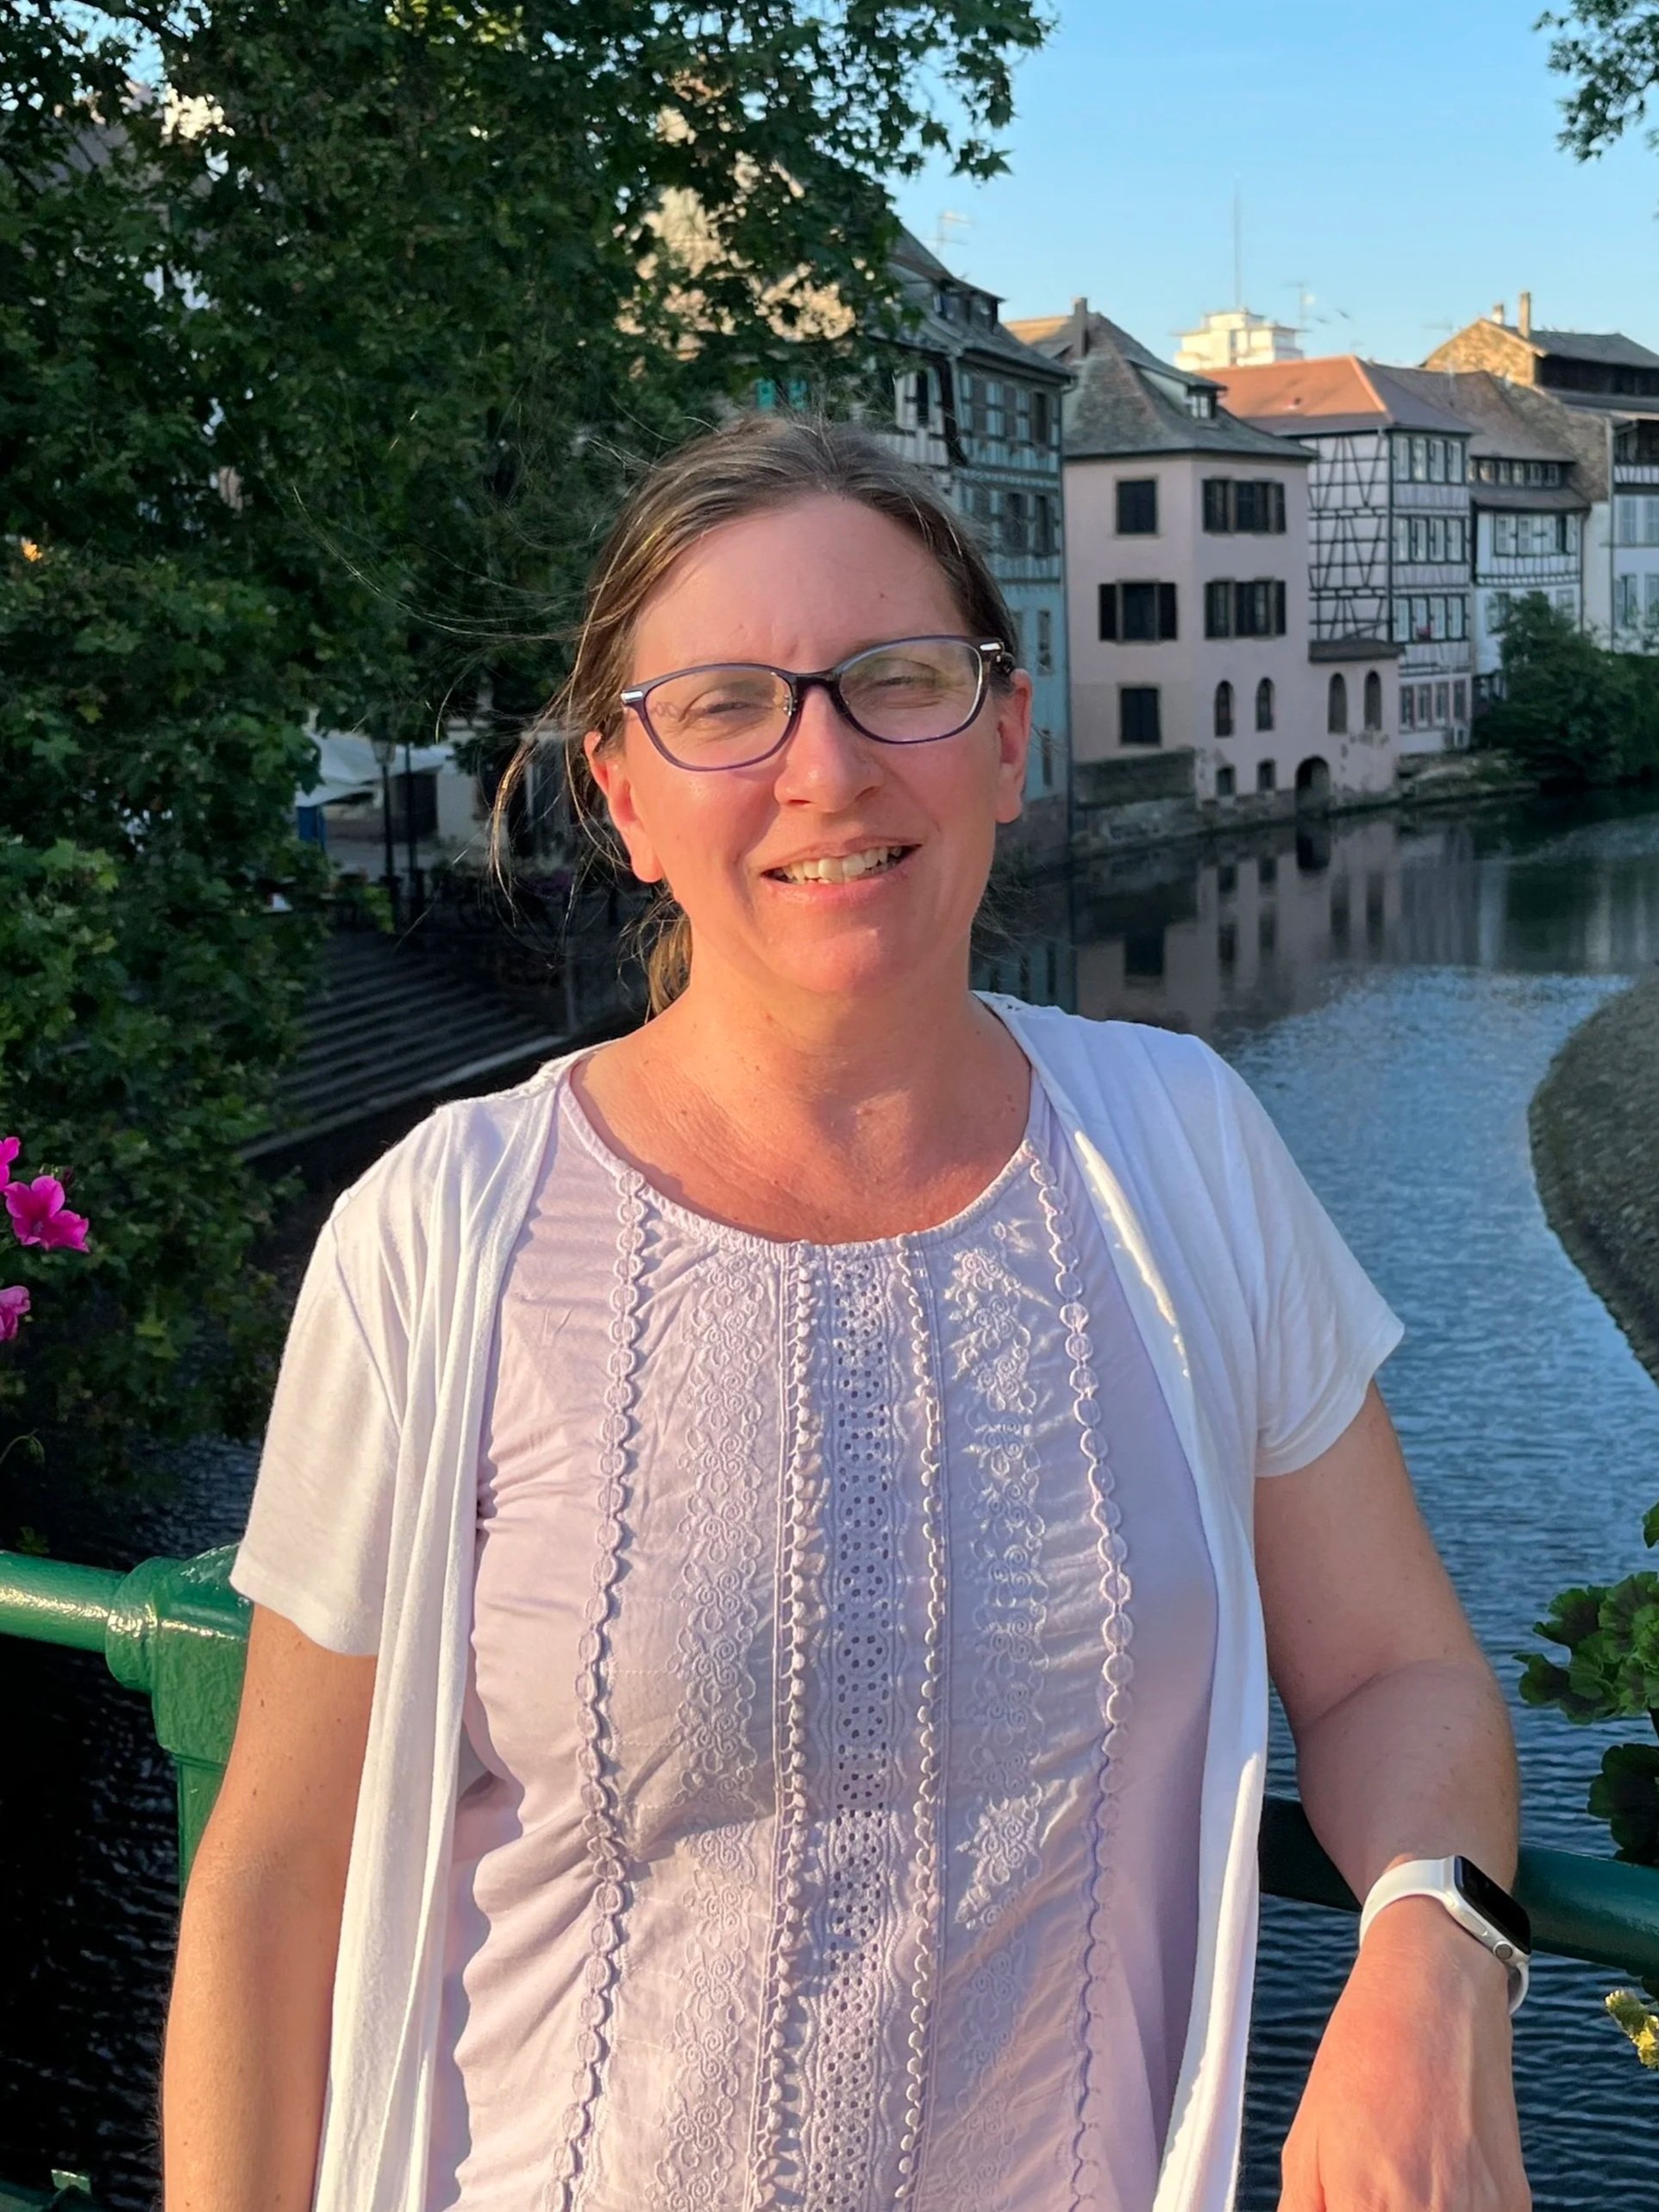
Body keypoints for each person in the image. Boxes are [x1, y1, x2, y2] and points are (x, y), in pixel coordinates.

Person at [162, 415, 1531, 2212]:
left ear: (1007, 738)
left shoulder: (1183, 1149)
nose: (824, 765)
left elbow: (1389, 1668)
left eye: (898, 680)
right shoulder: (438, 1234)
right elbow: (279, 1875)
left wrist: (1434, 1949)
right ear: (625, 796)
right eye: (725, 705)